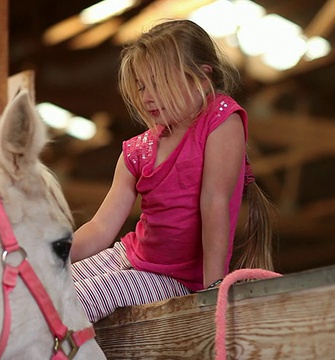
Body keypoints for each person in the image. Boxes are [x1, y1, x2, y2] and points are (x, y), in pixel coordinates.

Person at [70, 19, 275, 323]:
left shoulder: (221, 120)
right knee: (45, 287)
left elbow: (214, 204)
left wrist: (213, 288)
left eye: (158, 83)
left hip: (175, 279)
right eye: (141, 86)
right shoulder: (138, 150)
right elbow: (101, 227)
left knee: (73, 301)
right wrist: (48, 255)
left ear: (202, 80)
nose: (146, 96)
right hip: (128, 255)